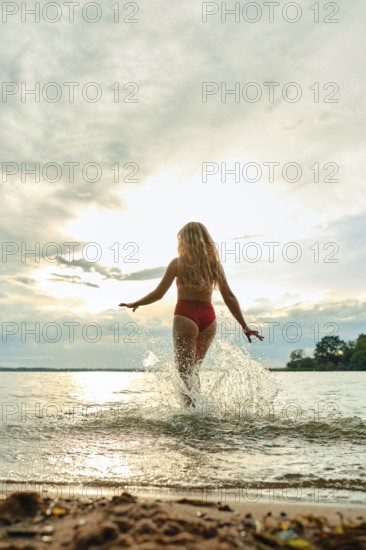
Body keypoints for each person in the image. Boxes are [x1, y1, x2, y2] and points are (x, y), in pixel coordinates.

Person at [119, 222, 264, 407]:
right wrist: (245, 325)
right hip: (209, 320)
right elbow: (229, 296)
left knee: (185, 373)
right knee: (193, 371)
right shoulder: (214, 265)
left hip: (185, 317)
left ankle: (191, 415)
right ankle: (200, 413)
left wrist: (137, 302)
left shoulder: (178, 263)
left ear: (184, 240)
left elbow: (159, 293)